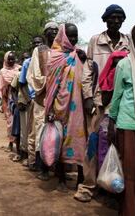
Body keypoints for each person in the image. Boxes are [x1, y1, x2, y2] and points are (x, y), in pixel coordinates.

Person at [75, 4, 130, 202]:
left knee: (118, 144)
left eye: (119, 18)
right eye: (112, 18)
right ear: (105, 20)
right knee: (94, 143)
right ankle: (89, 186)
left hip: (122, 102)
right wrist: (88, 97)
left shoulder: (128, 42)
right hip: (100, 102)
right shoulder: (95, 41)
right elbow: (89, 70)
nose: (116, 21)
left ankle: (113, 186)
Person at [108, 23, 135, 215]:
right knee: (130, 174)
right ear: (132, 40)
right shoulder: (125, 64)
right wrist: (111, 122)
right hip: (129, 124)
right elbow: (117, 96)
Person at [44, 23, 85, 192]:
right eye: (70, 36)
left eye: (75, 36)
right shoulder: (54, 56)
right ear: (63, 36)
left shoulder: (79, 54)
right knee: (59, 141)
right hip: (59, 105)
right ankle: (60, 178)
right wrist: (51, 109)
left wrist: (84, 59)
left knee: (79, 139)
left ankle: (81, 179)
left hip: (78, 107)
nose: (73, 40)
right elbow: (51, 85)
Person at [26, 22, 58, 172]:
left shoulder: (61, 51)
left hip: (58, 100)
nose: (54, 32)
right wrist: (51, 82)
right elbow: (34, 74)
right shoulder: (39, 51)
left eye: (56, 30)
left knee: (55, 132)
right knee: (40, 130)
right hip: (42, 99)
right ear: (45, 33)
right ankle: (41, 166)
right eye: (50, 30)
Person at [17, 36, 44, 165]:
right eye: (35, 43)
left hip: (46, 101)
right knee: (32, 132)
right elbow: (21, 83)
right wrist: (28, 99)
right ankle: (32, 160)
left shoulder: (47, 58)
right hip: (34, 100)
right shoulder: (27, 62)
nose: (38, 45)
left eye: (40, 43)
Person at [0, 51, 21, 151]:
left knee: (20, 122)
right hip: (9, 98)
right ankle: (11, 142)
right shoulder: (3, 71)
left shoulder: (19, 68)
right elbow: (2, 89)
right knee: (10, 122)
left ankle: (20, 146)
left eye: (13, 59)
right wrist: (4, 104)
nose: (11, 61)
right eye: (9, 59)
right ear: (6, 60)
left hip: (20, 97)